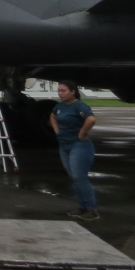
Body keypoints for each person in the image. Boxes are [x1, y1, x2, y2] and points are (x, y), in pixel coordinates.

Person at [50, 81, 99, 220]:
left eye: (63, 91)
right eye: (59, 91)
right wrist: (57, 131)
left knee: (80, 177)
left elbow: (91, 119)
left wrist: (82, 133)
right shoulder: (59, 106)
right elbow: (53, 116)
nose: (60, 93)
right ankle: (82, 207)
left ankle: (92, 209)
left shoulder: (79, 106)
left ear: (73, 92)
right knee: (74, 178)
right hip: (64, 146)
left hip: (79, 145)